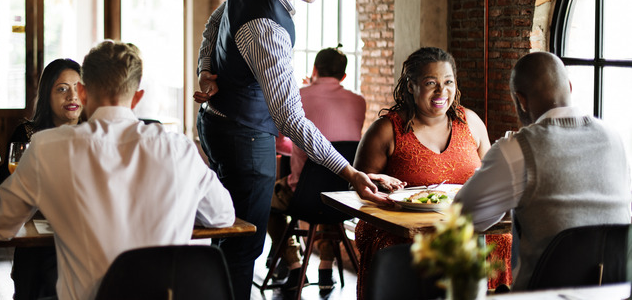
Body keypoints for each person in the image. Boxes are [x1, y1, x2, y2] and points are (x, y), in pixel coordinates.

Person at [194, 0, 403, 300]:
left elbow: (214, 23)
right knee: (244, 247)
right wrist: (349, 171)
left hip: (215, 122)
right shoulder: (267, 29)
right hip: (245, 138)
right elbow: (290, 118)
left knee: (227, 233)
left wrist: (205, 70)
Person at [0, 40, 235, 300]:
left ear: (82, 92)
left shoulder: (46, 148)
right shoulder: (179, 149)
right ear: (137, 97)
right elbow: (223, 215)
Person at [455, 51, 632, 290]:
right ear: (569, 86)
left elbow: (463, 215)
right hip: (615, 291)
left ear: (521, 101)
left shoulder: (518, 149)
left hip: (543, 294)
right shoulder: (614, 138)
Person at [352, 46, 511, 297]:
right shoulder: (386, 130)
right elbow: (358, 187)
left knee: (503, 239)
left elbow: (492, 179)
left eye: (448, 82)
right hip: (403, 229)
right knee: (402, 247)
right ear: (411, 86)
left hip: (466, 223)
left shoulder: (471, 122)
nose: (441, 91)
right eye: (430, 83)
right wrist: (380, 185)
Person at [267, 46, 366, 291]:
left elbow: (281, 143)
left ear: (314, 69)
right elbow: (344, 144)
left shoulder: (297, 96)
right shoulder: (359, 101)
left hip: (304, 197)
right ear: (343, 76)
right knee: (329, 192)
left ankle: (294, 264)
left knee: (266, 202)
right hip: (345, 197)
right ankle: (325, 267)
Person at [0, 58, 83, 299]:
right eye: (62, 89)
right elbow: (4, 188)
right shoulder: (27, 134)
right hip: (38, 240)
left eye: (79, 87)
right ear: (47, 94)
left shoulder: (96, 133)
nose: (72, 96)